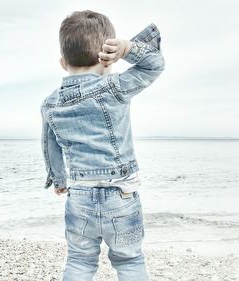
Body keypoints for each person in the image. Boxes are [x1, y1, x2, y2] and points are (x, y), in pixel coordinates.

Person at [40, 10, 165, 281]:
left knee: (79, 261)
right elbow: (154, 64)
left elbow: (50, 145)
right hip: (121, 194)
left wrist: (59, 180)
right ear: (107, 60)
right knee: (130, 260)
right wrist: (128, 48)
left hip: (80, 196)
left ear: (63, 63)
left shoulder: (50, 103)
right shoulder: (115, 87)